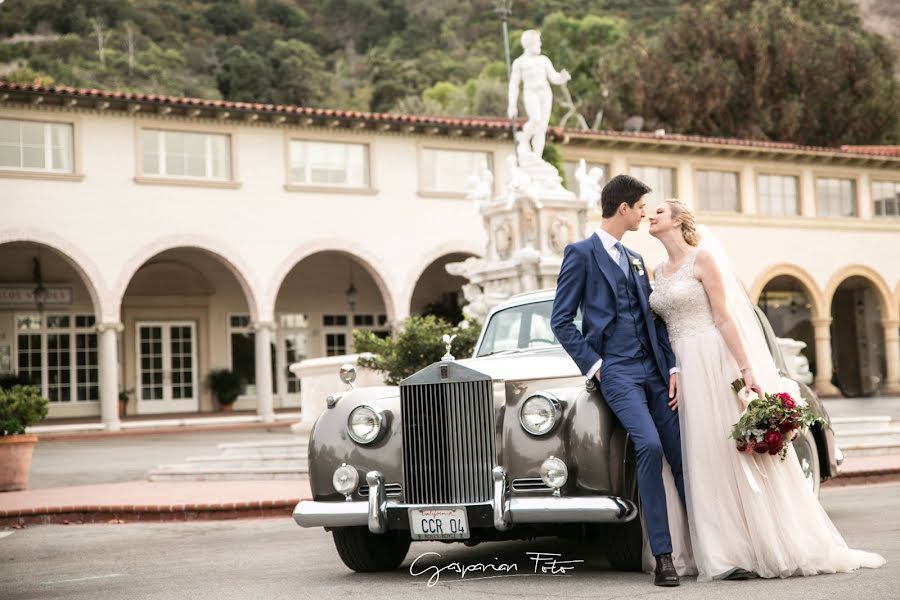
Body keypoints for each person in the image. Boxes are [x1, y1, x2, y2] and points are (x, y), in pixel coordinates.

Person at [647, 199, 886, 581]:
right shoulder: (658, 270)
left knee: (727, 454)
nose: (650, 216)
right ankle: (705, 546)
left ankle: (743, 547)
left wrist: (746, 368)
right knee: (697, 456)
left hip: (713, 359)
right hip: (682, 365)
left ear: (676, 221)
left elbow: (724, 317)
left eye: (658, 211)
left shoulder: (703, 259)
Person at [550, 174, 685, 587]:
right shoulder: (581, 254)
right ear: (622, 208)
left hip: (656, 372)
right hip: (618, 373)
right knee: (647, 445)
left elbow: (653, 320)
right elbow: (561, 320)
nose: (644, 213)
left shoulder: (636, 259)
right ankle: (664, 556)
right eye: (641, 206)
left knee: (682, 453)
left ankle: (712, 546)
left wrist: (673, 367)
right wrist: (597, 366)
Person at [507, 30, 570, 161]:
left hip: (545, 93)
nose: (540, 44)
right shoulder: (519, 62)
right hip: (531, 92)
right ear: (530, 43)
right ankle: (524, 137)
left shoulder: (544, 60)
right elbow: (514, 85)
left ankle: (537, 157)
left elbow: (554, 77)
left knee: (542, 127)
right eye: (538, 41)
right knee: (535, 119)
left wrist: (562, 77)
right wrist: (512, 105)